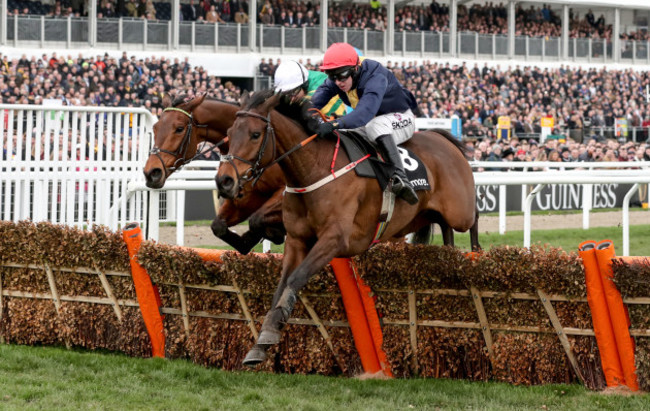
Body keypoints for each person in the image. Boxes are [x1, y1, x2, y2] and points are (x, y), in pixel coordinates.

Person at [310, 42, 419, 205]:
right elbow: (316, 101)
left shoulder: (375, 76)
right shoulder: (339, 78)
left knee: (374, 127)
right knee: (345, 134)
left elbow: (364, 113)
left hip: (401, 117)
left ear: (355, 69)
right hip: (373, 119)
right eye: (332, 76)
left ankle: (401, 179)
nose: (338, 82)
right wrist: (305, 115)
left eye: (342, 75)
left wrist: (334, 124)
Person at [273, 60, 346, 117]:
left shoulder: (322, 83)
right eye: (288, 95)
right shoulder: (296, 83)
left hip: (337, 122)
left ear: (304, 85)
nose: (292, 99)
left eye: (294, 93)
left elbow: (308, 104)